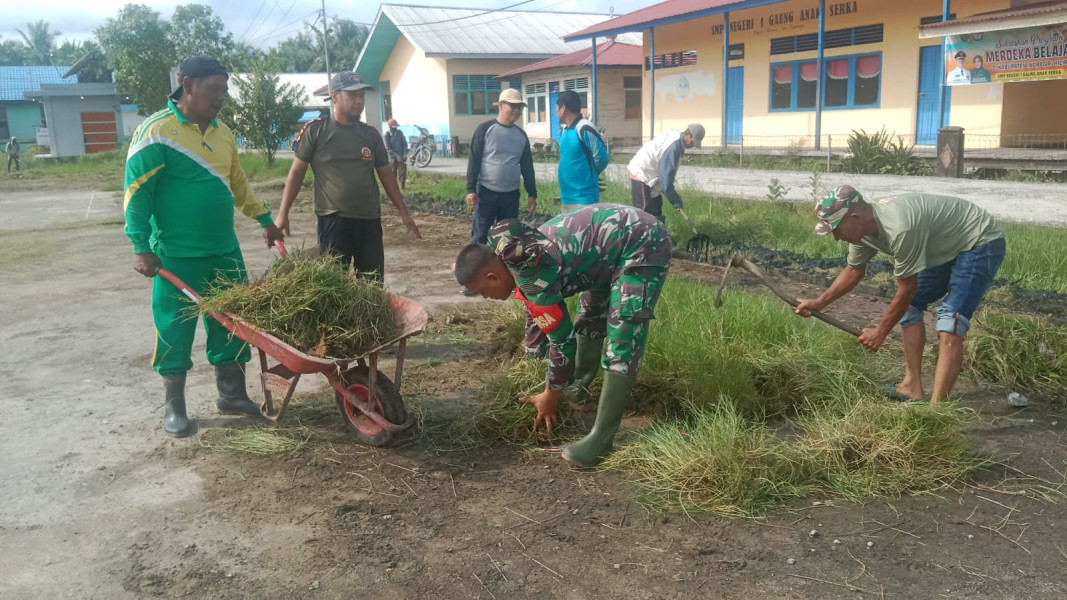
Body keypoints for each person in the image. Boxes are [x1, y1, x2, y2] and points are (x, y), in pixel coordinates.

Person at [124, 56, 286, 437]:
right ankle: (174, 407)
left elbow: (239, 185)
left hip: (224, 251)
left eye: (225, 91)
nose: (221, 98)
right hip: (175, 257)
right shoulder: (156, 131)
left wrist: (266, 220)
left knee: (232, 325)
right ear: (187, 84)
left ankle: (231, 395)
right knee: (174, 330)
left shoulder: (223, 132)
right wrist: (140, 246)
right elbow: (137, 194)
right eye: (214, 89)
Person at [455, 204, 672, 467]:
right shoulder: (516, 256)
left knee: (622, 337)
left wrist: (550, 394)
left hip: (641, 242)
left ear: (492, 277)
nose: (485, 297)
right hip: (604, 254)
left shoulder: (531, 272)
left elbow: (562, 341)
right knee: (590, 318)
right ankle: (577, 390)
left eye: (482, 291)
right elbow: (536, 317)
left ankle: (601, 439)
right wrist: (534, 362)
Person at [795, 186, 1006, 404]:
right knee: (910, 308)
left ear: (855, 217)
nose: (836, 237)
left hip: (978, 239)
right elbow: (854, 271)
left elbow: (907, 288)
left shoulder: (900, 228)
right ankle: (911, 386)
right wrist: (819, 302)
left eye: (836, 229)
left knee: (950, 321)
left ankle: (936, 412)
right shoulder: (862, 232)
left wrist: (880, 332)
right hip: (942, 243)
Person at [275, 71, 421, 282]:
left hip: (369, 220)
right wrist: (283, 213)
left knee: (372, 284)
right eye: (353, 95)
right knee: (333, 285)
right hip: (333, 219)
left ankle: (370, 316)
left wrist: (404, 212)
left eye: (362, 95)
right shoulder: (315, 130)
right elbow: (296, 173)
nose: (359, 101)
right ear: (335, 96)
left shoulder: (370, 134)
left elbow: (387, 175)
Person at [465, 87, 537, 245]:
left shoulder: (521, 135)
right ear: (501, 105)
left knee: (507, 239)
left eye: (520, 107)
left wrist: (532, 193)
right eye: (513, 106)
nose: (517, 111)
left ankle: (500, 268)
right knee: (480, 235)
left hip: (511, 196)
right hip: (486, 193)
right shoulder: (484, 130)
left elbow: (527, 166)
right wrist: (471, 189)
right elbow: (474, 160)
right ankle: (474, 267)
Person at [627, 124, 704, 221]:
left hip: (652, 175)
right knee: (643, 212)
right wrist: (676, 200)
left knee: (656, 208)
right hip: (642, 172)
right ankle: (639, 235)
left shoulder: (677, 139)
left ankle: (658, 235)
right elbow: (666, 181)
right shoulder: (674, 147)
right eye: (693, 142)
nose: (693, 145)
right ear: (687, 134)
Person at [555, 90, 608, 213]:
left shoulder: (584, 128)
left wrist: (589, 176)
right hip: (567, 197)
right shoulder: (565, 130)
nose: (556, 112)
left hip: (584, 199)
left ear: (563, 108)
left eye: (556, 108)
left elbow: (601, 159)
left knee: (584, 232)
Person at [384, 118, 408, 189]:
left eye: (396, 127)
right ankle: (393, 188)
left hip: (401, 156)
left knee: (402, 171)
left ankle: (402, 187)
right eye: (394, 127)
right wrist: (396, 155)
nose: (395, 128)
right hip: (392, 157)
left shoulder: (400, 133)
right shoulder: (386, 135)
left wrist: (404, 154)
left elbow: (405, 144)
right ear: (390, 127)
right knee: (392, 172)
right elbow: (388, 148)